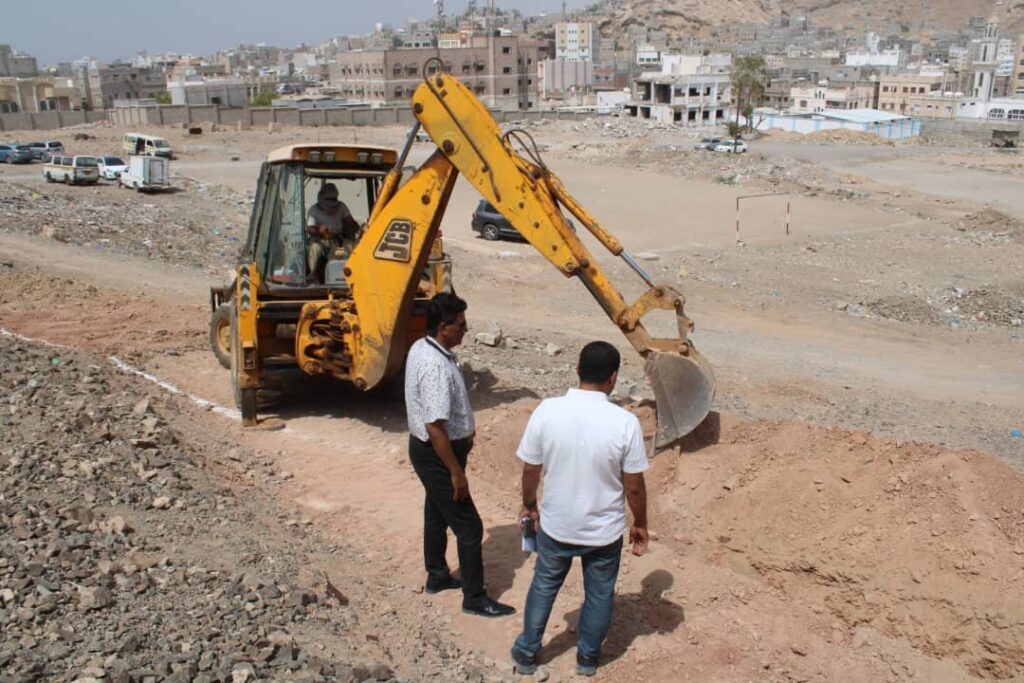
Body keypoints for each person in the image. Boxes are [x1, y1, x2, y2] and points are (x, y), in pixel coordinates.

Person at [510, 341, 649, 677]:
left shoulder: (547, 411)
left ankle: (527, 652)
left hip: (557, 525)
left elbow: (530, 470)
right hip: (603, 533)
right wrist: (640, 523)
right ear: (613, 377)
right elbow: (634, 486)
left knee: (544, 585)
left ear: (577, 370)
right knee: (600, 594)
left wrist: (529, 505)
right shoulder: (625, 422)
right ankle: (587, 659)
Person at [404, 292, 516, 618]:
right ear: (444, 328)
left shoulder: (423, 346)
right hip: (438, 453)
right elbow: (435, 426)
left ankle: (437, 575)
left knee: (436, 514)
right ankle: (474, 597)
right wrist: (456, 472)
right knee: (469, 526)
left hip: (434, 449)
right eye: (461, 325)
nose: (465, 330)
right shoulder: (435, 366)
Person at [306, 182, 360, 283]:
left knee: (351, 247)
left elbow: (351, 221)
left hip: (337, 239)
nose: (331, 202)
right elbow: (309, 228)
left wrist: (361, 231)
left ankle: (349, 276)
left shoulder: (341, 207)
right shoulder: (314, 210)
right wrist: (319, 231)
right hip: (319, 239)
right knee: (315, 249)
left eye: (333, 199)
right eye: (329, 199)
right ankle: (313, 275)